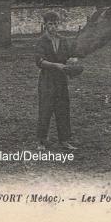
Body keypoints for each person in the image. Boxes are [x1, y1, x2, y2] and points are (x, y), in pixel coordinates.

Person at [35, 11, 78, 151]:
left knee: (63, 108)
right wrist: (55, 65)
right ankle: (41, 141)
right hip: (47, 79)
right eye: (50, 24)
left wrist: (72, 60)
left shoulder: (63, 40)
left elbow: (69, 55)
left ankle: (64, 140)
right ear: (45, 25)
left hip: (61, 79)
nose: (53, 27)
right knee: (45, 109)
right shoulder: (41, 41)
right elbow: (39, 61)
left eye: (55, 24)